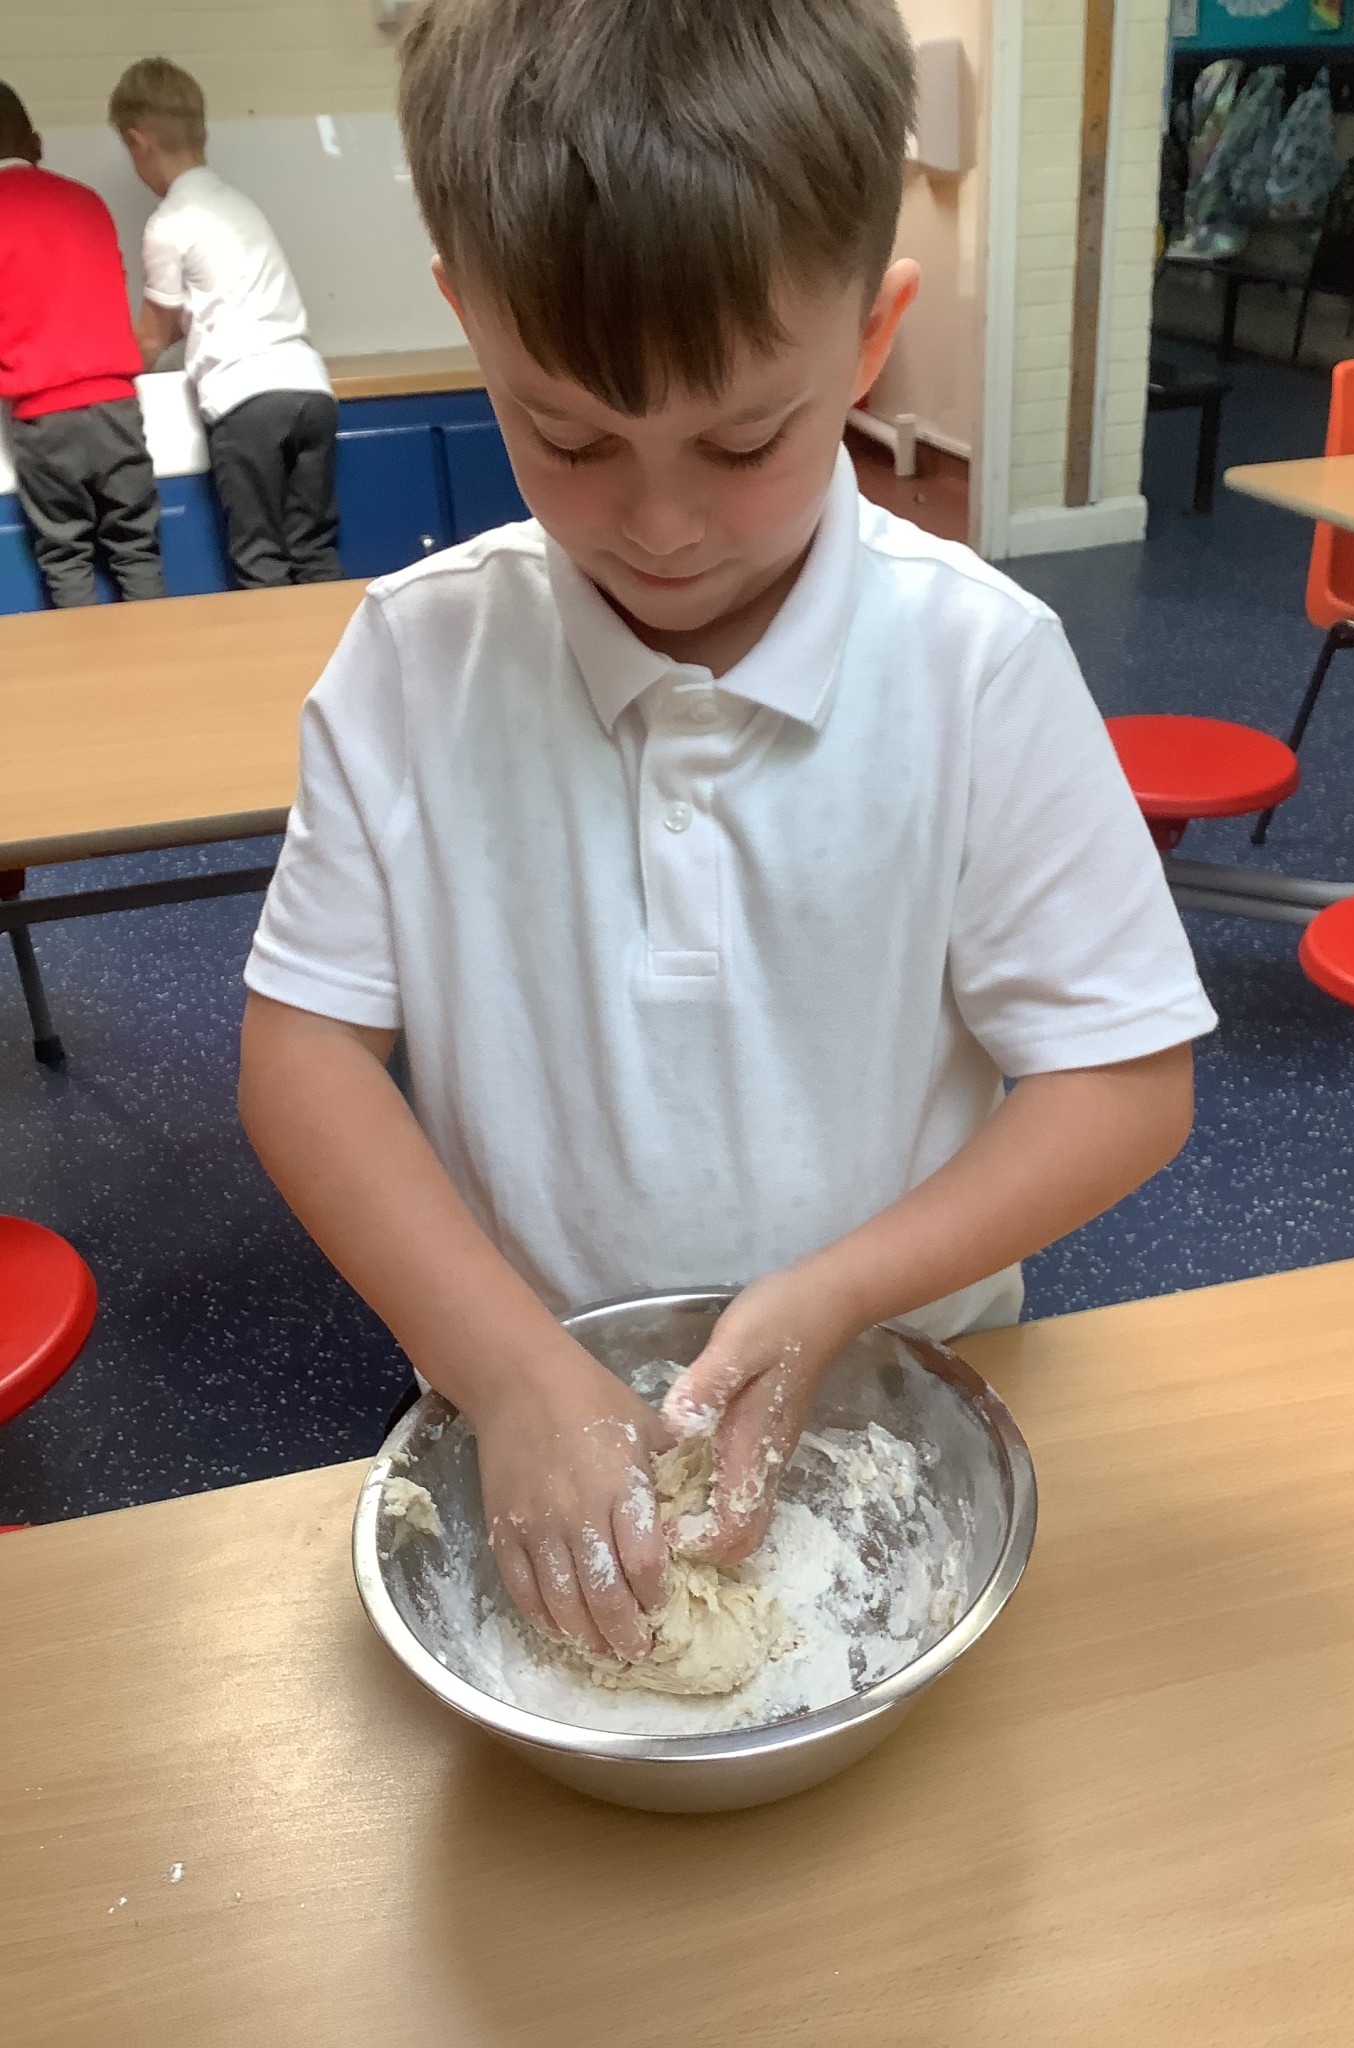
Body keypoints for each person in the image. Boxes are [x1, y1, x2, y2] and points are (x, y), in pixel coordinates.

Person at [239, 0, 1216, 1671]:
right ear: (468, 319)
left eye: (746, 438)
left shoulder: (974, 667)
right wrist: (506, 1362)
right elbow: (301, 1057)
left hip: (906, 1383)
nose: (663, 522)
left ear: (869, 334)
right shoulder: (414, 666)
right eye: (566, 435)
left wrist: (842, 1289)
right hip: (526, 1408)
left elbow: (1122, 1084)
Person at [108, 56, 344, 590]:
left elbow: (151, 338)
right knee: (315, 551)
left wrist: (104, 375)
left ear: (138, 142)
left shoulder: (169, 223)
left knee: (260, 559)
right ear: (202, 130)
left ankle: (282, 674)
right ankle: (340, 667)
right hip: (310, 389)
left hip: (248, 400)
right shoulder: (240, 205)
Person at [0, 81, 165, 608]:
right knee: (136, 549)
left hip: (44, 418)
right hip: (118, 406)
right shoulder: (85, 200)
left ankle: (94, 689)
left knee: (66, 554)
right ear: (36, 142)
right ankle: (161, 671)